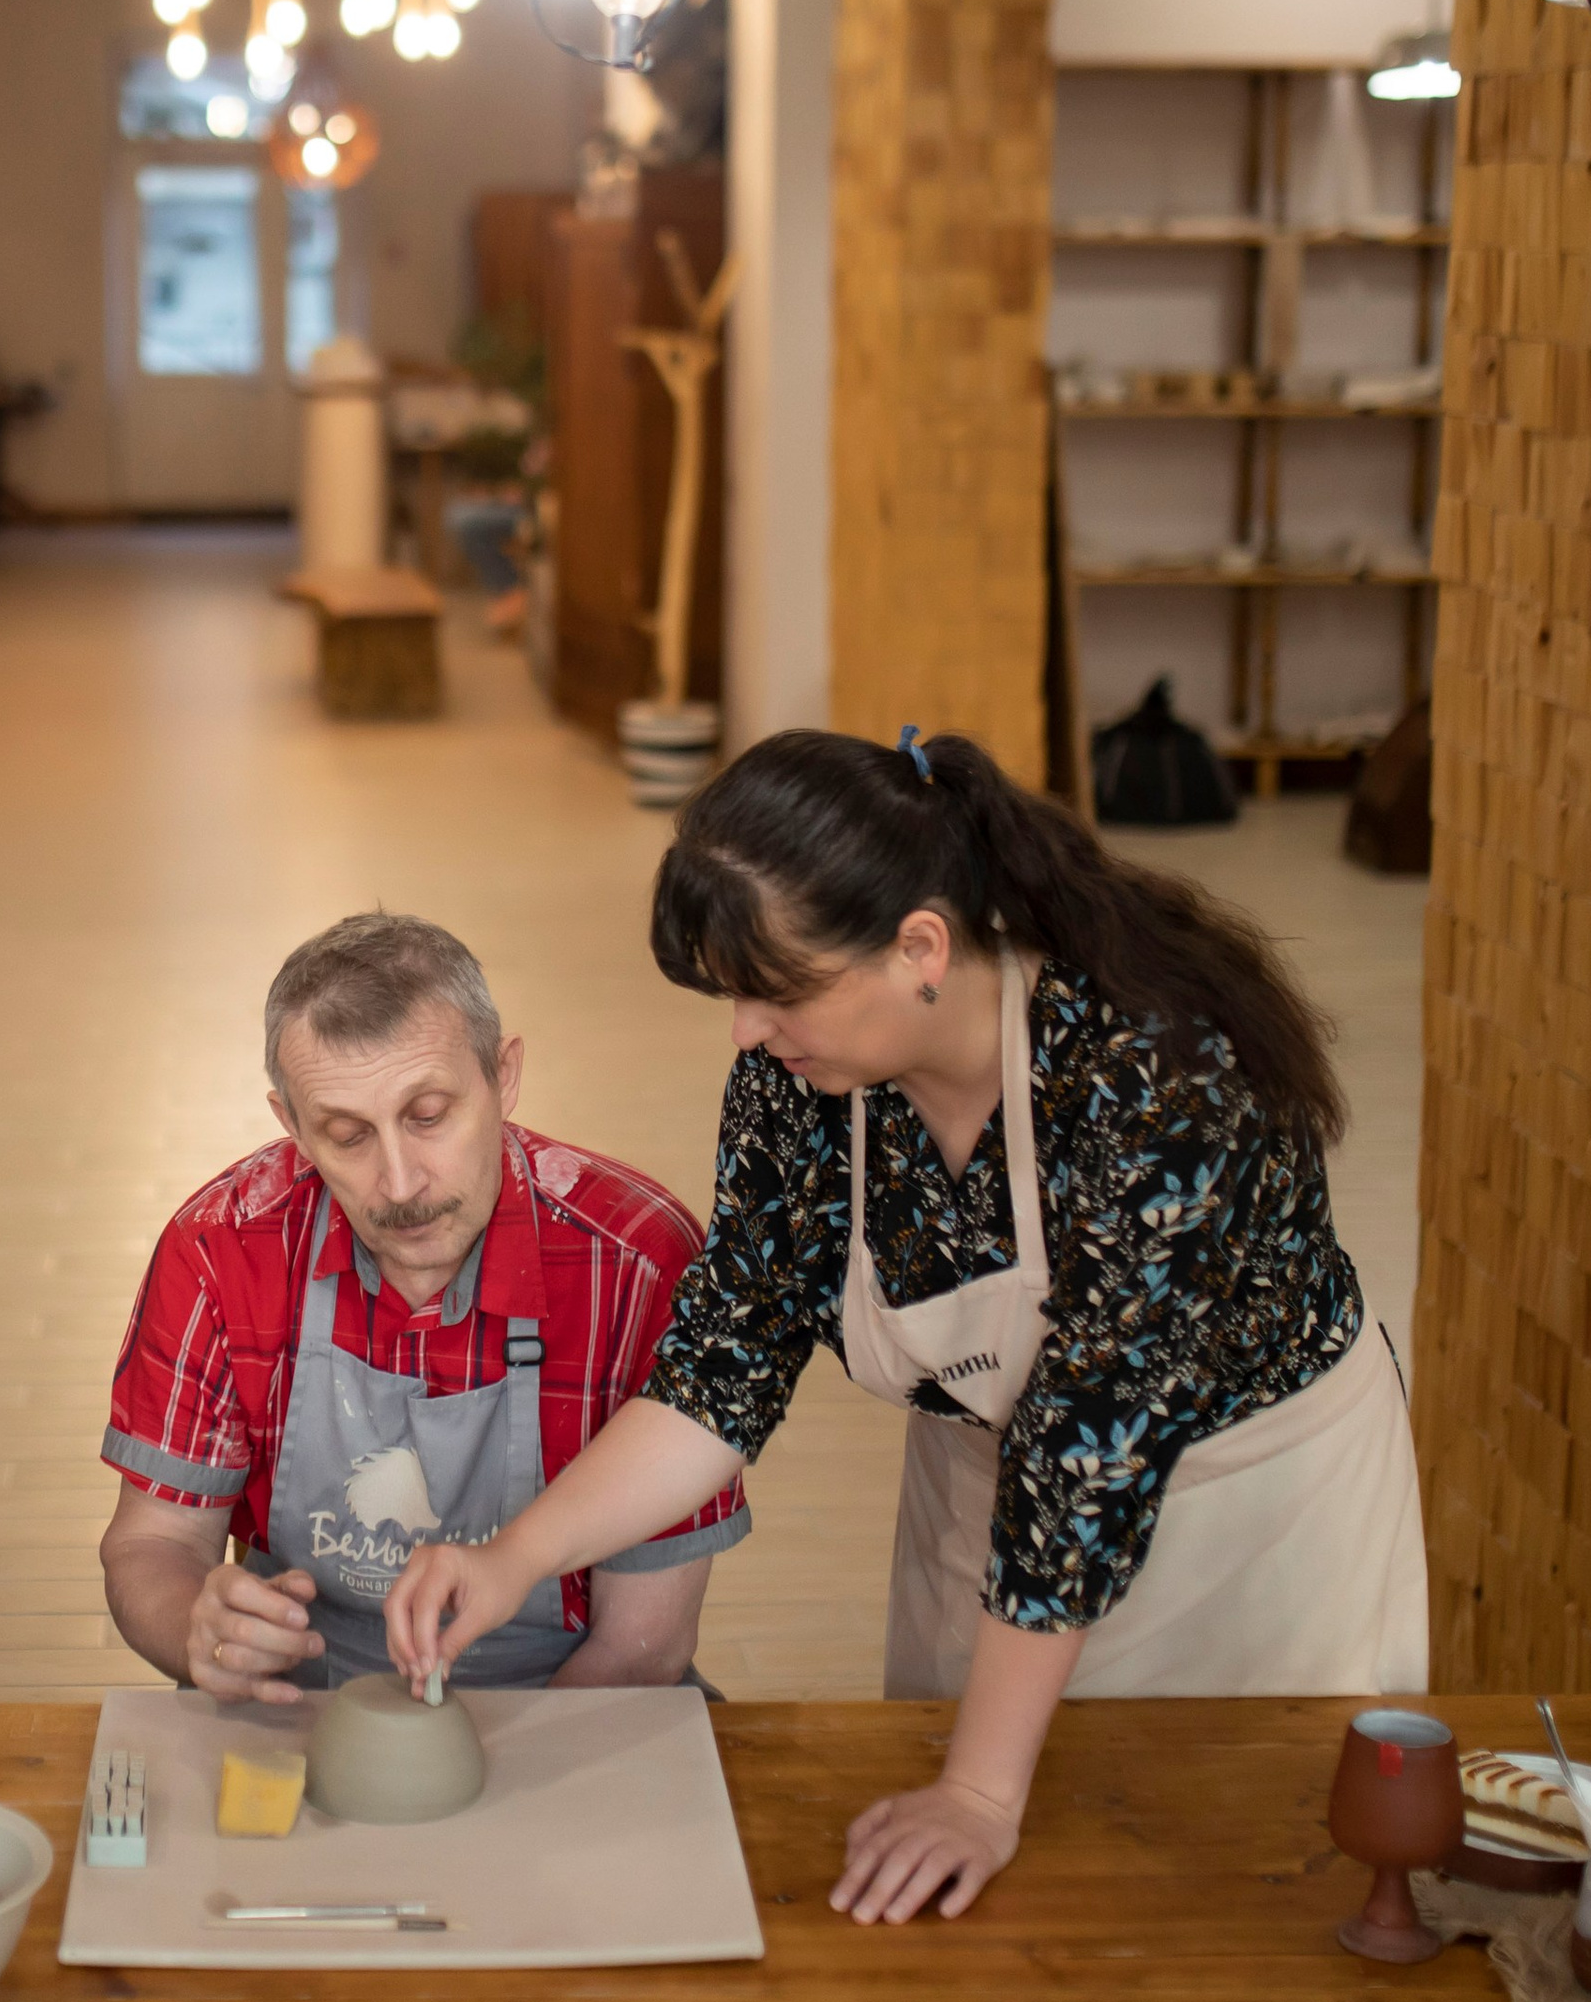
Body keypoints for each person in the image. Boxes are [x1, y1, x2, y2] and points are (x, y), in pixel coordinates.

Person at [386, 728, 1425, 1923]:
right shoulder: (804, 1073)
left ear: (918, 946)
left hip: (1248, 1522)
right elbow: (723, 1367)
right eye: (732, 993)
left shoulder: (1159, 1077)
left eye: (772, 990)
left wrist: (979, 1792)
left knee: (1234, 1885)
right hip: (997, 1504)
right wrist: (511, 1557)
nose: (743, 1030)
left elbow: (1090, 1455)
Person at [98, 912, 747, 1701]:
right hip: (301, 1704)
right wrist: (195, 1627)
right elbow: (152, 1545)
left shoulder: (636, 1264)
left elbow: (645, 1645)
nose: (400, 1185)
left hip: (572, 1709)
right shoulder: (220, 1250)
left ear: (502, 1077)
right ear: (291, 1127)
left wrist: (462, 1779)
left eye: (429, 1117)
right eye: (346, 1135)